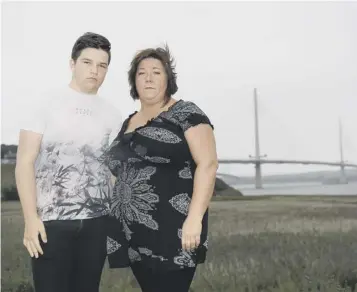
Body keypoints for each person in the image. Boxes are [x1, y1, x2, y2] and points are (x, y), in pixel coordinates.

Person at [104, 45, 218, 292]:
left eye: (156, 72)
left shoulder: (186, 113)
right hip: (134, 234)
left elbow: (208, 164)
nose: (148, 78)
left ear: (168, 78)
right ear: (133, 80)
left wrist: (194, 220)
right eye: (141, 73)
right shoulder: (128, 122)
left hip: (175, 231)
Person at [15, 32, 122, 292]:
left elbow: (114, 171)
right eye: (87, 62)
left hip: (97, 224)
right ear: (72, 64)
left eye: (102, 65)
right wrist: (30, 218)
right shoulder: (45, 103)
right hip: (51, 223)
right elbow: (24, 163)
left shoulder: (113, 114)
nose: (95, 71)